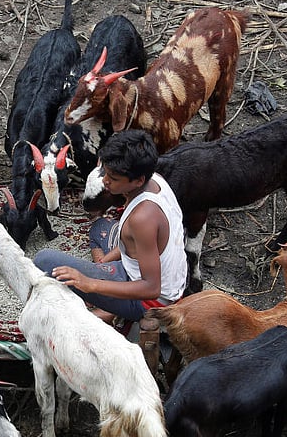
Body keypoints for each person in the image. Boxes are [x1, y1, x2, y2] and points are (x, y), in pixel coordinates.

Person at [33, 129, 187, 323]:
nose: (105, 181)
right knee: (100, 227)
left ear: (138, 180)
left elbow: (151, 288)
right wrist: (105, 262)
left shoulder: (142, 219)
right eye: (105, 172)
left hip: (152, 302)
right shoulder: (155, 179)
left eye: (113, 178)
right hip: (166, 275)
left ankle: (99, 316)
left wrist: (89, 283)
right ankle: (108, 299)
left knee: (45, 260)